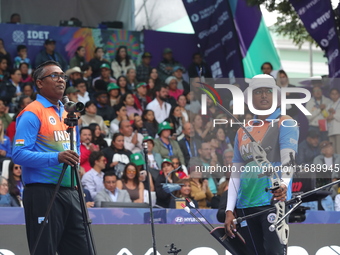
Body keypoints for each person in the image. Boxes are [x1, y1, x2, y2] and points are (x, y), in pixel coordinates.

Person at [12, 60, 91, 254]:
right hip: (43, 192)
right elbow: (18, 154)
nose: (61, 80)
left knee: (82, 250)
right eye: (54, 76)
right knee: (44, 250)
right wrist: (56, 157)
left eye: (63, 76)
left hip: (71, 192)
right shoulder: (32, 112)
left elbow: (76, 148)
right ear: (40, 82)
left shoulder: (69, 113)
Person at [225, 74, 299, 255]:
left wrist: (283, 185)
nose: (264, 95)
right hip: (245, 205)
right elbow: (236, 171)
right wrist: (229, 209)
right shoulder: (243, 130)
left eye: (268, 91)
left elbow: (288, 159)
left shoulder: (285, 122)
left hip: (273, 202)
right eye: (258, 92)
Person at [326, 88, 340, 154]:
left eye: (336, 94)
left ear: (339, 94)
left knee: (339, 150)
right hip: (331, 130)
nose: (334, 96)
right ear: (330, 95)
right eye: (332, 94)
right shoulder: (329, 104)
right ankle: (335, 164)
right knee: (332, 151)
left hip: (338, 130)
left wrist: (333, 115)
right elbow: (325, 116)